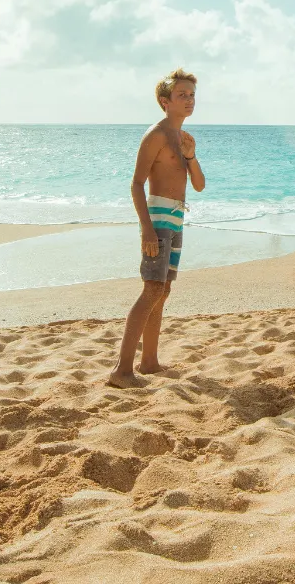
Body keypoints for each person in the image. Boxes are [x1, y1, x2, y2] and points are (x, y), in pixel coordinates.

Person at [108, 68, 206, 389]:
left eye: (192, 95)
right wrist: (147, 230)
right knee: (151, 289)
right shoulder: (157, 135)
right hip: (158, 220)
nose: (189, 100)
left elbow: (200, 185)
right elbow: (136, 184)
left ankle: (149, 362)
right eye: (182, 95)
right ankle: (122, 371)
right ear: (166, 101)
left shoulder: (182, 139)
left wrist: (191, 156)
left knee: (162, 291)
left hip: (176, 219)